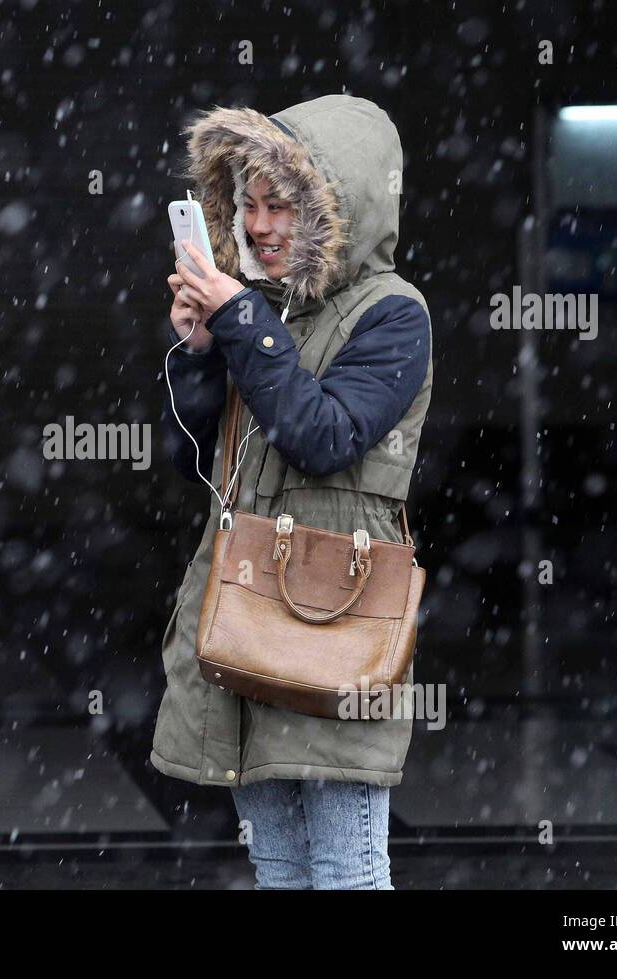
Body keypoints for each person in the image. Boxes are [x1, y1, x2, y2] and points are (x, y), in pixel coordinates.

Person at [153, 95, 433, 889]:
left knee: (346, 870)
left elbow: (323, 438)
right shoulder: (262, 311)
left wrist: (241, 320)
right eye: (248, 205)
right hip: (250, 619)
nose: (261, 225)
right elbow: (195, 460)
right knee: (279, 869)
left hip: (334, 623)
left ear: (337, 208)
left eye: (282, 205)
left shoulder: (394, 314)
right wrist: (203, 349)